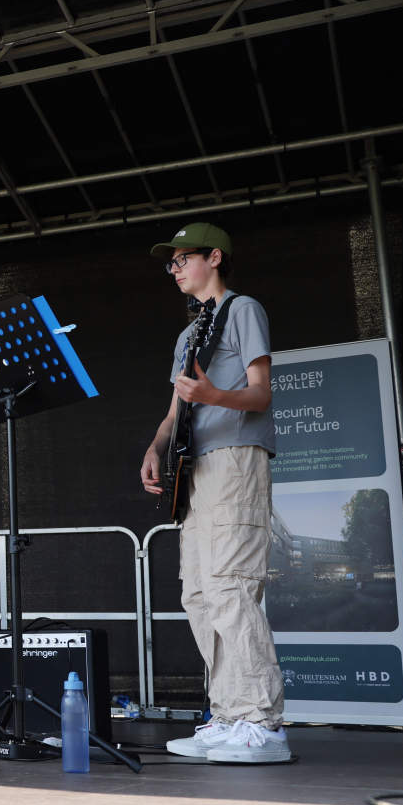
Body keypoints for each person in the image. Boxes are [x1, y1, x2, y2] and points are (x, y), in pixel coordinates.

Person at [139, 224, 289, 764]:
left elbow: (260, 394)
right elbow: (175, 411)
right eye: (171, 263)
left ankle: (262, 722)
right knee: (200, 593)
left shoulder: (242, 309)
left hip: (235, 459)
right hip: (194, 468)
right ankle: (228, 714)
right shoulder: (188, 335)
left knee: (231, 586)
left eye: (183, 259)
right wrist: (154, 447)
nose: (175, 269)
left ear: (215, 257)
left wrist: (214, 394)